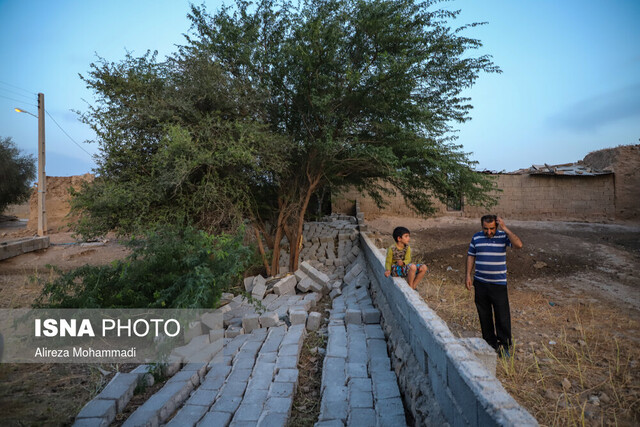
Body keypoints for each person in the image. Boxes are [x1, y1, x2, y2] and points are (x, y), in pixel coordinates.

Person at [465, 215, 523, 357]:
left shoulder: (503, 236)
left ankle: (505, 346)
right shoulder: (476, 237)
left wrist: (505, 228)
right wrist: (467, 275)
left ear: (496, 227)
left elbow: (518, 245)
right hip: (480, 283)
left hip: (498, 284)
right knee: (484, 315)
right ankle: (490, 344)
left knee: (502, 316)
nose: (489, 232)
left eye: (492, 229)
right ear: (482, 226)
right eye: (486, 229)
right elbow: (471, 255)